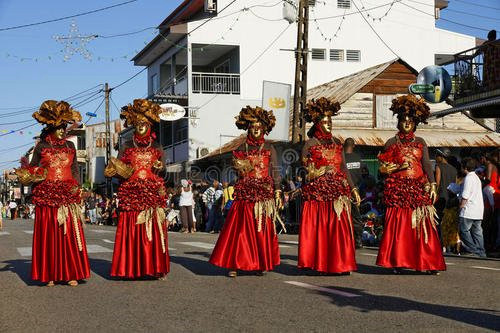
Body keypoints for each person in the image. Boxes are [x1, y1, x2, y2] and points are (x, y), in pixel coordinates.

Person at [15, 100, 90, 286]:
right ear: (50, 128)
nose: (61, 131)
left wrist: (77, 188)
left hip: (67, 194)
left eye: (63, 127)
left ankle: (72, 272)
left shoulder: (71, 147)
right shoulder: (41, 147)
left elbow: (74, 171)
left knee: (69, 235)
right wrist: (30, 174)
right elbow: (32, 169)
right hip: (47, 195)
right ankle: (50, 274)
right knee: (50, 235)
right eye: (58, 127)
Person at [209, 106, 283, 277]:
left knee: (261, 231)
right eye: (253, 126)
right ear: (248, 128)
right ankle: (235, 263)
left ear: (264, 128)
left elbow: (275, 172)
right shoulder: (242, 148)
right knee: (240, 232)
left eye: (259, 126)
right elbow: (236, 171)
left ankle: (260, 263)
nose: (256, 129)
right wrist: (241, 169)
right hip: (244, 196)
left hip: (263, 197)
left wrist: (277, 192)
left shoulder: (270, 148)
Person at [376, 95, 445, 274]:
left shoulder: (420, 143)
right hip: (397, 189)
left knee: (423, 226)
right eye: (404, 121)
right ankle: (398, 261)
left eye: (410, 121)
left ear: (415, 124)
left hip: (418, 188)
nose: (407, 124)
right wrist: (391, 169)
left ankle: (428, 263)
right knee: (400, 227)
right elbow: (381, 170)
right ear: (398, 122)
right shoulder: (390, 143)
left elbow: (427, 166)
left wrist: (433, 185)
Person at [105, 99, 170, 279]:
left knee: (152, 230)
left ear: (150, 125)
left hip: (152, 193)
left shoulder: (157, 147)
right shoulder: (126, 146)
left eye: (145, 124)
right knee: (132, 231)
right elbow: (119, 168)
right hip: (131, 193)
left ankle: (154, 267)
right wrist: (114, 171)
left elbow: (163, 172)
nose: (141, 127)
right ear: (134, 125)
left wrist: (159, 167)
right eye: (138, 124)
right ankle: (131, 267)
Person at [298, 98, 361, 274]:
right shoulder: (309, 144)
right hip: (318, 195)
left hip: (338, 194)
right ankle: (320, 263)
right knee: (321, 230)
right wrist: (318, 171)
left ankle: (340, 263)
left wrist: (353, 188)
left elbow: (344, 168)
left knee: (338, 229)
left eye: (330, 121)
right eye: (324, 122)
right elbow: (305, 171)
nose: (328, 125)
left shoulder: (337, 143)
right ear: (317, 124)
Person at [459, 158, 486, 257]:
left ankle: (474, 250)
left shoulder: (468, 178)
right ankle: (481, 251)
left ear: (465, 167)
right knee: (477, 232)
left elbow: (465, 195)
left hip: (468, 210)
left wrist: (461, 206)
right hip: (478, 210)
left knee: (464, 231)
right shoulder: (476, 177)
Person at [343, 137, 364, 249]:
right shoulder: (358, 158)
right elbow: (364, 174)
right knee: (356, 215)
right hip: (355, 189)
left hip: (342, 190)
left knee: (341, 215)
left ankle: (344, 239)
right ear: (354, 145)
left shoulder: (342, 158)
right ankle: (358, 239)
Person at [435, 148, 458, 243]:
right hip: (450, 199)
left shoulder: (438, 167)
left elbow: (437, 183)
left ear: (441, 157)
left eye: (437, 156)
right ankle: (448, 244)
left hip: (440, 198)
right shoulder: (454, 169)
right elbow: (455, 185)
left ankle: (439, 242)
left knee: (438, 222)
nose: (436, 158)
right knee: (449, 222)